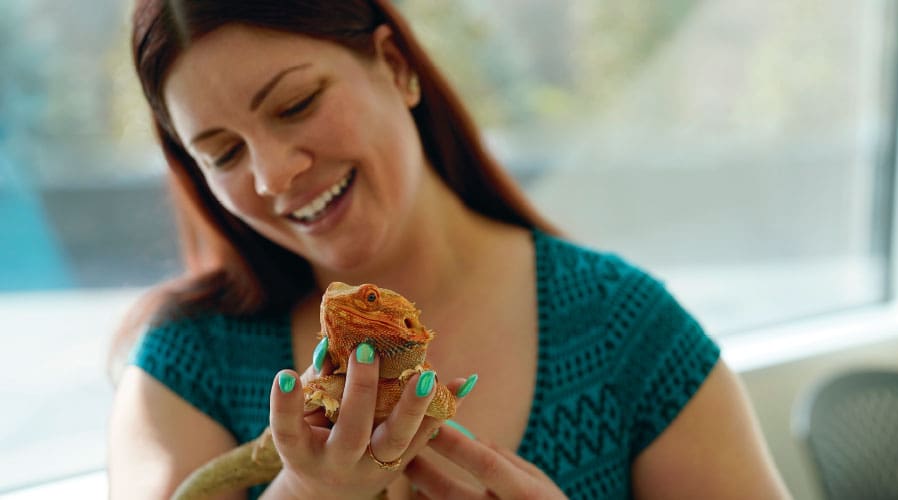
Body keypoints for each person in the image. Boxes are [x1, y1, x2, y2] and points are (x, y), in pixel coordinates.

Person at [107, 1, 791, 498]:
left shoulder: (623, 326)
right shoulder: (186, 364)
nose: (271, 175)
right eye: (223, 152)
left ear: (396, 66)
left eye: (295, 105)